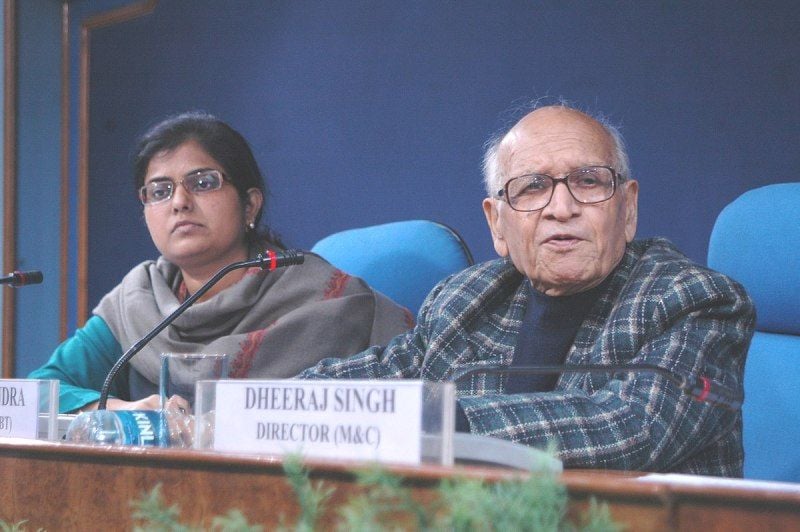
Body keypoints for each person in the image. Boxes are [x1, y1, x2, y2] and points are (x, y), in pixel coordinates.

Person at [299, 103, 755, 476]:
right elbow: (373, 381)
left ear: (628, 208)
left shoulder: (695, 300)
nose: (561, 207)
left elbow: (634, 425)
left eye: (588, 181)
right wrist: (265, 409)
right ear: (497, 223)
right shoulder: (463, 301)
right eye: (533, 187)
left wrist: (442, 425)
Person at [30, 111, 411, 413]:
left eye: (203, 182)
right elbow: (41, 391)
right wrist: (119, 409)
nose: (179, 201)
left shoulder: (321, 297)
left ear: (250, 204)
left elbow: (417, 384)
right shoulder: (139, 304)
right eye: (159, 191)